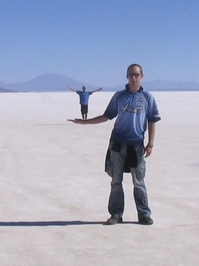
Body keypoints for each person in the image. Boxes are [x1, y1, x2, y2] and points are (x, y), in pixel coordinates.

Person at [68, 64, 160, 225]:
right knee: (116, 181)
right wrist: (85, 123)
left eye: (136, 75)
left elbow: (152, 120)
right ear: (126, 76)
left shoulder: (147, 97)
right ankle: (116, 214)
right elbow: (106, 116)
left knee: (139, 181)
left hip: (136, 145)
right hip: (117, 144)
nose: (133, 78)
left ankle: (144, 214)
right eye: (131, 74)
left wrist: (150, 144)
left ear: (142, 76)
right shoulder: (119, 96)